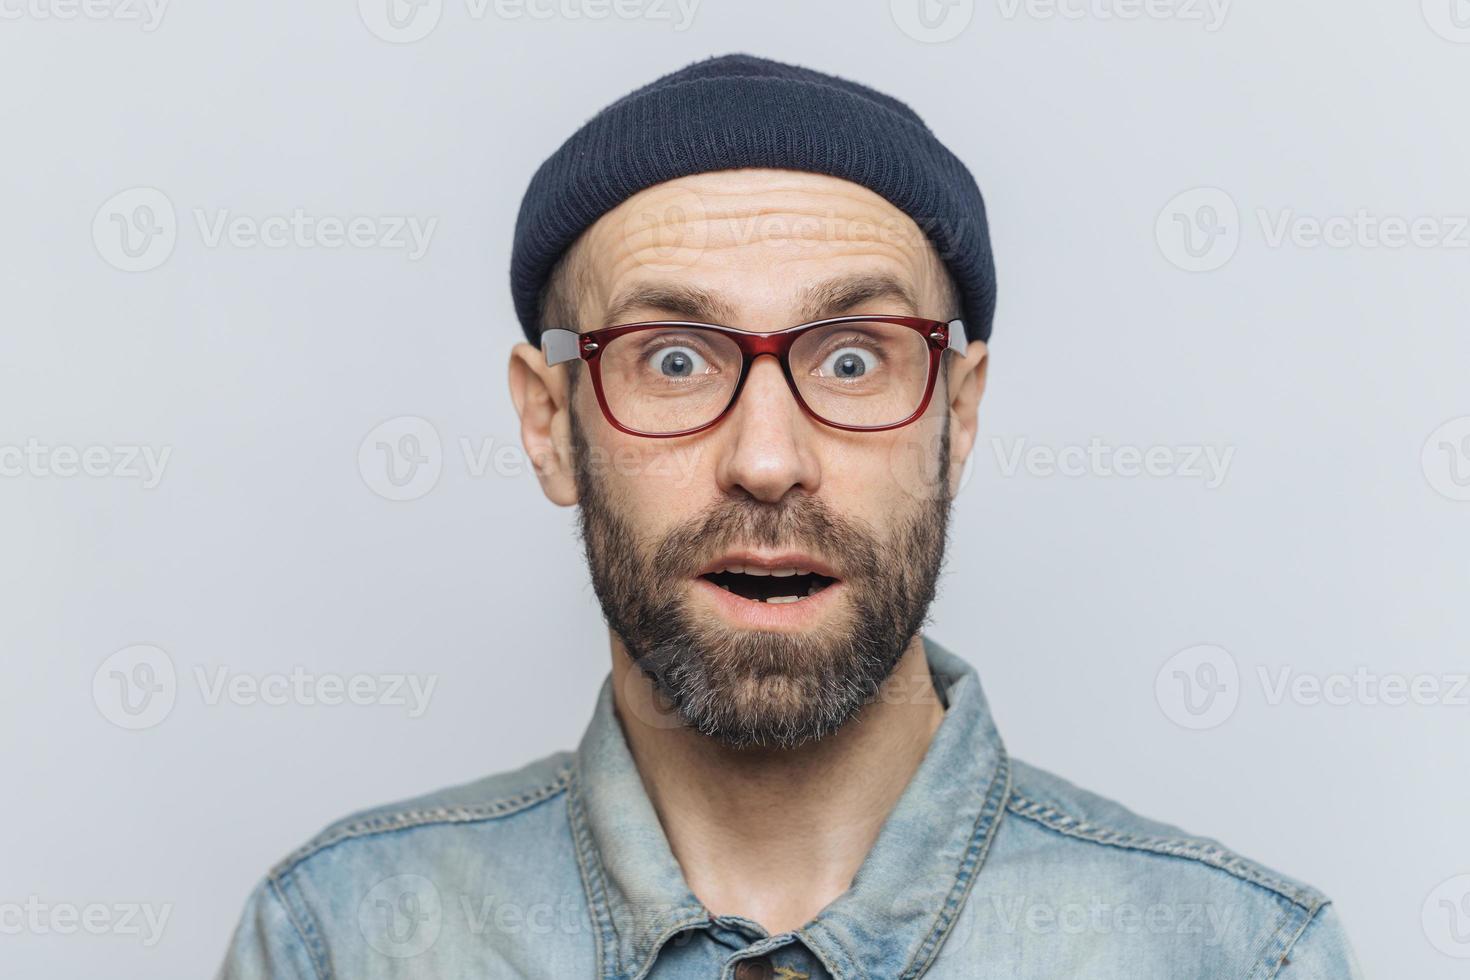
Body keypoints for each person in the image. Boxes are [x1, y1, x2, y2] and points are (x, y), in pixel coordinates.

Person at [218, 53, 1361, 979]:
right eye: (672, 358)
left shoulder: (1236, 956)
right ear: (548, 422)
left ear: (956, 420)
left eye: (856, 357)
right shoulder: (339, 939)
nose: (768, 460)